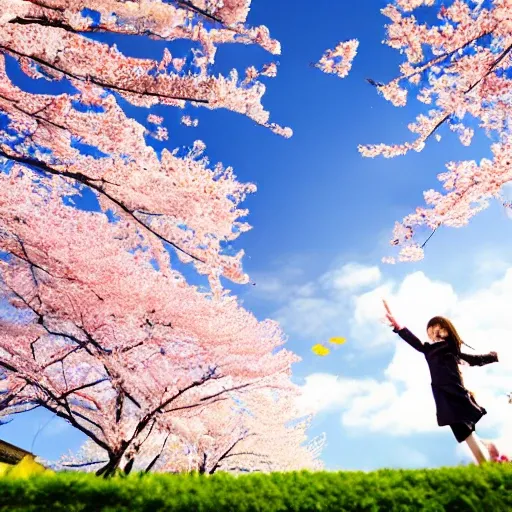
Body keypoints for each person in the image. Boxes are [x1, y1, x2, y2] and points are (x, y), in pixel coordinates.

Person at [383, 300, 499, 464]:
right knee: (464, 433)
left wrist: (493, 357)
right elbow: (416, 343)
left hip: (455, 393)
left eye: (439, 328)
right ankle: (489, 452)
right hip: (443, 396)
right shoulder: (429, 350)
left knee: (465, 431)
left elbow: (472, 359)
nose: (434, 332)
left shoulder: (451, 348)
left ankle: (486, 465)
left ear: (446, 330)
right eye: (431, 330)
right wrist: (399, 327)